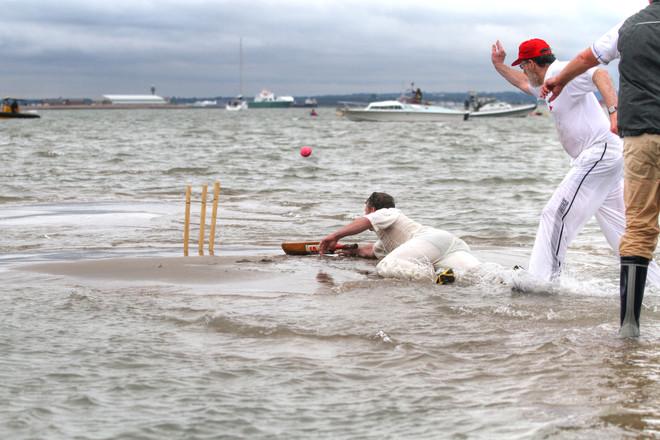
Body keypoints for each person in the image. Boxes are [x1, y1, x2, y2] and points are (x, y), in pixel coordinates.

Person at [491, 38, 660, 288]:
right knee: (622, 234)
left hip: (599, 154)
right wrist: (499, 66)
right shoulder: (549, 84)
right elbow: (524, 82)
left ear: (530, 63)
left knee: (555, 214)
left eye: (523, 66)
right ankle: (655, 285)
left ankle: (542, 283)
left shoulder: (561, 72)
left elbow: (599, 74)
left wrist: (614, 111)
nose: (524, 71)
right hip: (605, 159)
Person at [541, 0, 660, 337]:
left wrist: (559, 80)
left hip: (641, 136)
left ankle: (629, 327)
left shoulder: (628, 26)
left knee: (638, 227)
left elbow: (586, 59)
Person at [318, 192, 480, 282]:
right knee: (475, 274)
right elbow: (371, 251)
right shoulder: (389, 240)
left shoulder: (388, 212)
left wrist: (335, 236)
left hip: (429, 239)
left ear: (372, 209)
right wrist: (351, 251)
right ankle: (502, 279)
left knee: (385, 265)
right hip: (449, 244)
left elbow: (366, 221)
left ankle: (434, 278)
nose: (365, 213)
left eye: (365, 209)